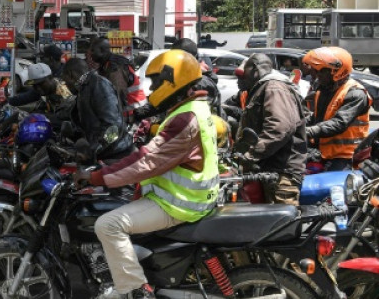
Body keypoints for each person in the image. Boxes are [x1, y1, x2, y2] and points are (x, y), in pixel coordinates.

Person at [74, 50, 219, 299]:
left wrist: (98, 176)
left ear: (173, 81)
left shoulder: (184, 118)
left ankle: (135, 290)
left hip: (179, 204)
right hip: (192, 198)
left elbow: (146, 161)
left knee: (108, 224)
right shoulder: (195, 108)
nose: (151, 89)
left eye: (156, 82)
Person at [235, 54, 307, 205]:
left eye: (245, 72)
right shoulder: (262, 87)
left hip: (281, 173)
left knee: (283, 225)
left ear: (254, 68)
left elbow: (279, 128)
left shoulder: (274, 87)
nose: (241, 79)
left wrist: (252, 154)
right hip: (269, 170)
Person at [305, 46, 371, 171]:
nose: (318, 75)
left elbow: (339, 123)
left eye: (321, 71)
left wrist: (308, 131)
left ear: (336, 71)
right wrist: (295, 125)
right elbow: (317, 117)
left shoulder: (355, 93)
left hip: (345, 157)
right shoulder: (324, 90)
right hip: (323, 153)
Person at [61, 58, 134, 162]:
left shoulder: (98, 84)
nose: (66, 85)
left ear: (71, 75)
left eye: (65, 80)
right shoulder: (84, 88)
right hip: (106, 152)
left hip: (116, 154)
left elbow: (114, 126)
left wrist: (96, 148)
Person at [88, 37, 146, 117]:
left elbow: (117, 97)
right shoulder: (105, 65)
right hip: (127, 112)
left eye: (93, 50)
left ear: (102, 51)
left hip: (132, 114)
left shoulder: (115, 68)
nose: (90, 53)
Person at [5, 63, 73, 115]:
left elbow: (65, 117)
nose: (38, 88)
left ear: (50, 78)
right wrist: (7, 102)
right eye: (35, 85)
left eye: (41, 83)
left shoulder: (64, 93)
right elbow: (24, 98)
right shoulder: (42, 89)